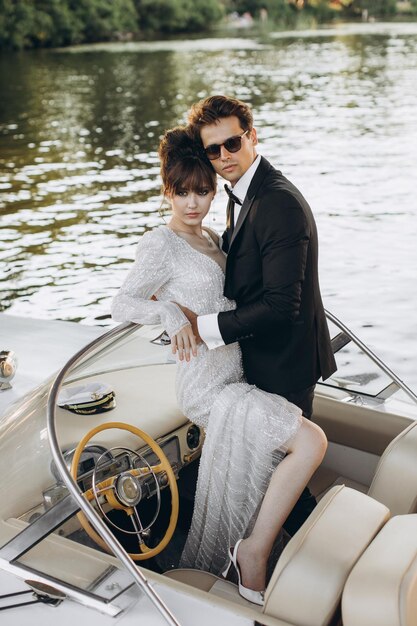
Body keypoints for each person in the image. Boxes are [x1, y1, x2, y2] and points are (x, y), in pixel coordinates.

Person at [111, 126, 327, 605]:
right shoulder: (160, 244)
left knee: (283, 459)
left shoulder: (212, 235)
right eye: (183, 192)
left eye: (203, 190)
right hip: (206, 385)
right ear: (168, 191)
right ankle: (253, 552)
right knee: (310, 442)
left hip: (236, 374)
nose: (193, 203)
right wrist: (168, 314)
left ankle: (271, 556)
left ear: (214, 187)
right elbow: (121, 303)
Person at [176, 95, 337, 535]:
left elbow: (281, 306)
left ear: (252, 137)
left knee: (284, 476)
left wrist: (201, 328)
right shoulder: (243, 193)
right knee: (278, 473)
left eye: (232, 143)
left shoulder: (277, 202)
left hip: (284, 362)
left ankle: (319, 555)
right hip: (270, 357)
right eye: (214, 150)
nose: (224, 156)